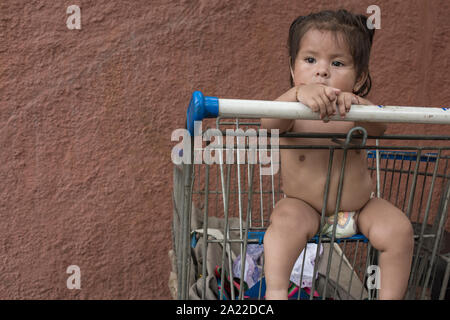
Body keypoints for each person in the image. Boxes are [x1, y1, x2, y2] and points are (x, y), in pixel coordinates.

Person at [261, 9, 414, 300]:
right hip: (305, 207)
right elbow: (267, 123)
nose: (322, 70)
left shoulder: (354, 110)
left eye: (337, 62)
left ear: (359, 78)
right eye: (309, 60)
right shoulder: (290, 112)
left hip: (358, 209)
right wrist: (295, 96)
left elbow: (380, 126)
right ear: (294, 70)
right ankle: (276, 292)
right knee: (283, 226)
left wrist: (358, 104)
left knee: (399, 230)